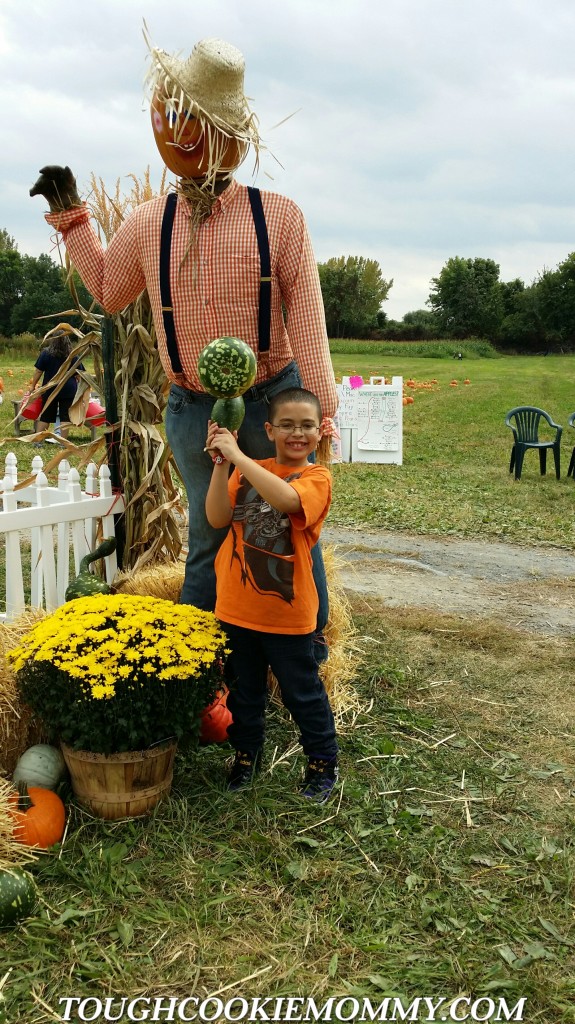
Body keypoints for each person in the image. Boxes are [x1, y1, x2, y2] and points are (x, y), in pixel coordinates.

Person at [29, 34, 337, 641]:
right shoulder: (151, 221)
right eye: (170, 115)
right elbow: (110, 293)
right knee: (210, 531)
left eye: (192, 118)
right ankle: (202, 661)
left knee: (281, 525)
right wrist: (72, 217)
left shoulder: (280, 215)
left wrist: (321, 417)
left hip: (273, 401)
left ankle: (306, 651)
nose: (178, 130)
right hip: (192, 407)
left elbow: (307, 319)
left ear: (229, 135)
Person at [205, 386, 338, 802]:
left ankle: (322, 763)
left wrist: (240, 457)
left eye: (306, 426)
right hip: (236, 608)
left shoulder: (317, 477)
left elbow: (285, 501)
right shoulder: (247, 469)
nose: (296, 433)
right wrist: (221, 463)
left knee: (302, 692)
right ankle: (246, 757)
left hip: (288, 615)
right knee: (243, 690)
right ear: (269, 429)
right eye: (286, 425)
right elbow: (216, 517)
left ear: (319, 432)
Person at [30, 326, 84, 440]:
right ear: (67, 340)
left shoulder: (46, 353)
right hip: (68, 390)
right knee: (65, 417)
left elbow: (39, 371)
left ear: (53, 340)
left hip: (50, 389)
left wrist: (32, 386)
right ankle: (63, 442)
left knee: (45, 416)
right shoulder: (73, 355)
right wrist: (82, 391)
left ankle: (38, 441)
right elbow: (79, 375)